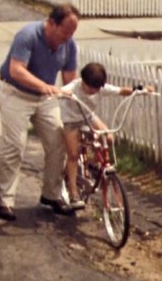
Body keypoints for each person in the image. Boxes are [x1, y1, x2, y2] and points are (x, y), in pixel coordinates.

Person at [0, 4, 80, 221]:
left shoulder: (69, 45)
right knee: (15, 145)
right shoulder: (28, 35)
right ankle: (4, 200)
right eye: (64, 32)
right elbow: (17, 70)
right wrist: (43, 86)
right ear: (51, 23)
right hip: (16, 93)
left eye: (72, 33)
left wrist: (75, 103)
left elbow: (70, 79)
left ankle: (51, 195)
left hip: (45, 98)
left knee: (57, 142)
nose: (67, 38)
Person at [59, 62, 152, 209]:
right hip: (71, 121)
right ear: (83, 81)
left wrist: (140, 91)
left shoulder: (100, 88)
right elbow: (59, 91)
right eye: (91, 88)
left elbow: (120, 90)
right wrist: (61, 93)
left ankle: (97, 164)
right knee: (73, 154)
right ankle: (74, 192)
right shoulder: (74, 87)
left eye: (98, 88)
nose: (94, 92)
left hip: (88, 117)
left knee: (107, 136)